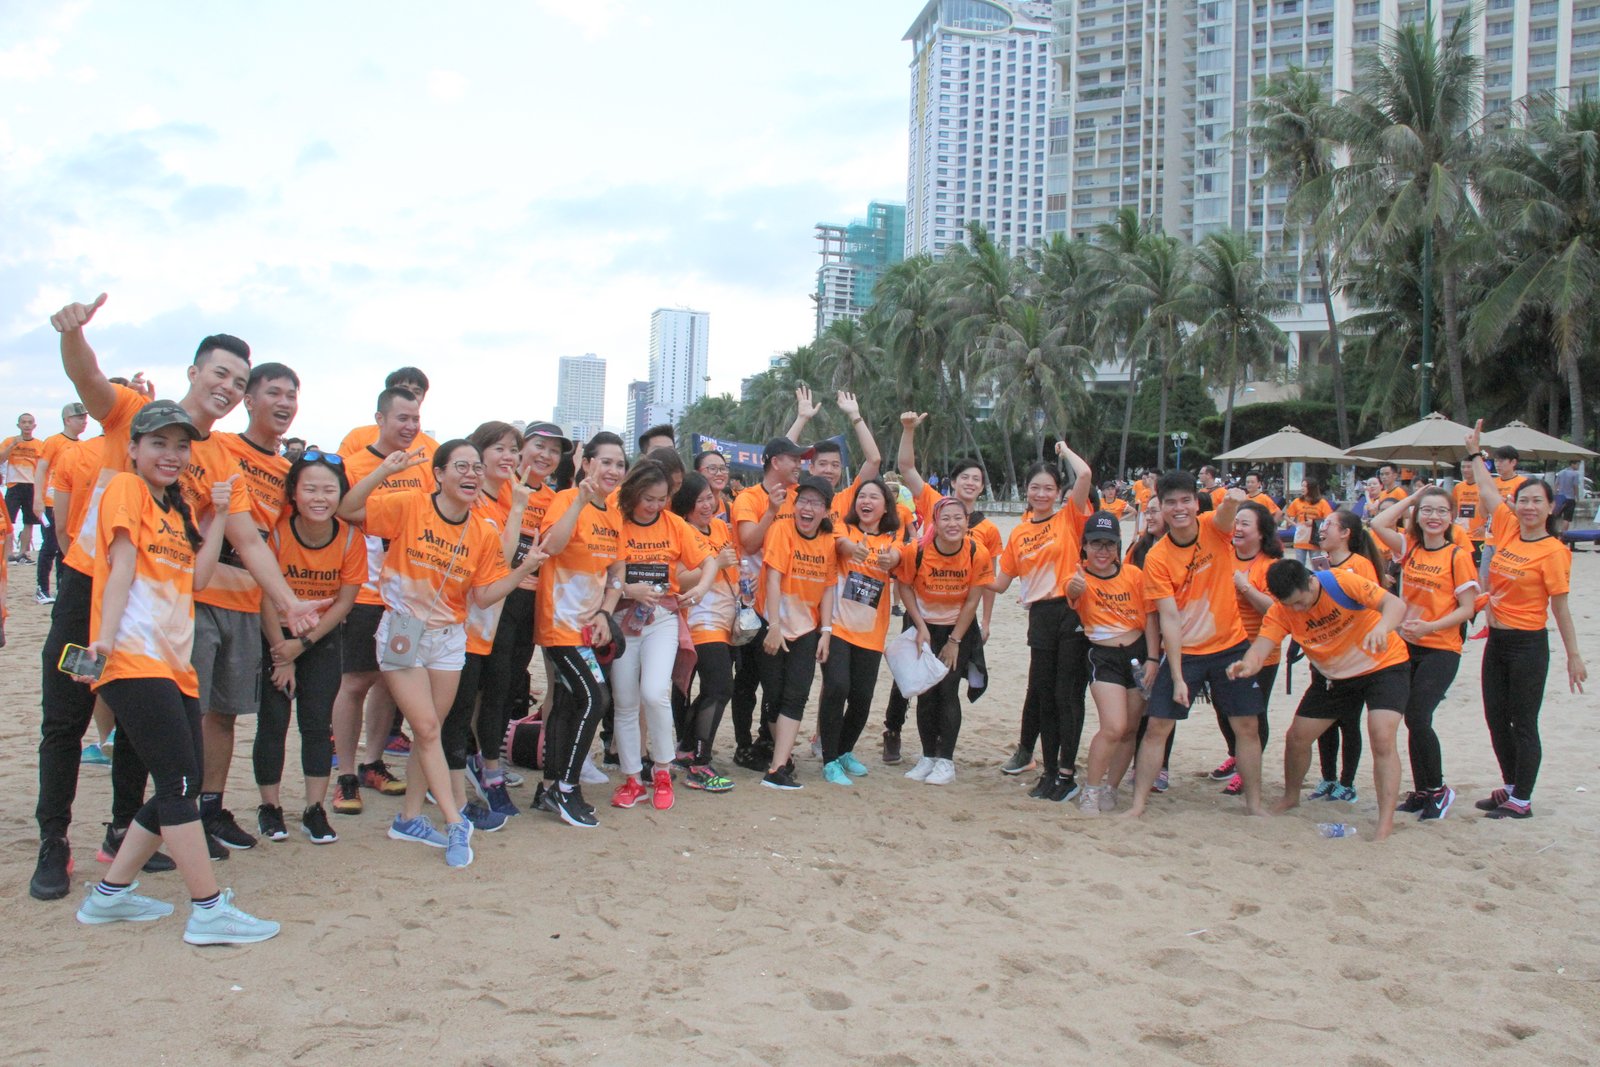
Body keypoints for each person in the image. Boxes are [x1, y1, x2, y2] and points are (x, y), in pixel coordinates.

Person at [32, 295, 320, 902]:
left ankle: (119, 831)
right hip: (89, 585)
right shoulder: (134, 412)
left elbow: (247, 539)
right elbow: (84, 375)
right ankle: (53, 841)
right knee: (65, 720)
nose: (228, 387)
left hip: (159, 605)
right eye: (219, 373)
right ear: (194, 372)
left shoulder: (217, 458)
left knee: (140, 728)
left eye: (240, 383)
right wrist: (73, 334)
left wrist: (289, 602)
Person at [72, 399, 279, 942]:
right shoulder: (126, 489)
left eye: (181, 445)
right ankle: (208, 908)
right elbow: (118, 568)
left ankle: (110, 896)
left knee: (176, 782)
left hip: (174, 664)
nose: (171, 454)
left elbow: (196, 580)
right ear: (134, 447)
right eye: (158, 443)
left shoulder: (174, 509)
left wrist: (210, 518)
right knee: (179, 784)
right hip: (133, 658)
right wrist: (100, 642)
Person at [339, 440, 542, 866]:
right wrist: (384, 471)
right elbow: (350, 508)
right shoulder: (410, 505)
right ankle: (454, 821)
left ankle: (409, 817)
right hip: (402, 627)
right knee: (428, 727)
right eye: (461, 467)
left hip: (450, 636)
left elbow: (485, 596)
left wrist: (524, 568)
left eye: (475, 468)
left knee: (427, 731)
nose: (471, 475)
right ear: (439, 474)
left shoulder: (484, 531)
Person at [196, 362, 326, 855]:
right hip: (200, 591)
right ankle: (176, 812)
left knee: (226, 714)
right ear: (248, 399)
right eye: (274, 392)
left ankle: (211, 806)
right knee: (191, 710)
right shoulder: (220, 448)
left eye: (293, 394)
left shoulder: (289, 472)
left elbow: (279, 538)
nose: (285, 403)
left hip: (247, 600)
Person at [1228, 558, 1410, 840]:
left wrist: (1381, 627)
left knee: (1382, 736)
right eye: (1290, 604)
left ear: (1311, 581)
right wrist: (1247, 665)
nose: (1297, 610)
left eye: (1301, 602)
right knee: (1297, 737)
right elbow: (1262, 647)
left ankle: (1385, 822)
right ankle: (1291, 797)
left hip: (1383, 665)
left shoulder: (1340, 582)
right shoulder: (1282, 610)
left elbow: (1395, 605)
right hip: (1334, 677)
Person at [1124, 476, 1266, 819]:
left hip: (1230, 646)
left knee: (1246, 726)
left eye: (1185, 500)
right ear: (1161, 507)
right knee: (1157, 725)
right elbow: (1168, 619)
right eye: (1170, 502)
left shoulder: (1212, 528)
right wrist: (1175, 676)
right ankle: (1139, 803)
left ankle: (1255, 804)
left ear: (1196, 503)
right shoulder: (1157, 557)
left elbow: (1226, 515)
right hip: (1185, 652)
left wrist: (1232, 499)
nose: (1179, 509)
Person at [1465, 422, 1586, 819]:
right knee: (1495, 717)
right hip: (1497, 641)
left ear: (1550, 507)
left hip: (1528, 645)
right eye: (1523, 500)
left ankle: (1523, 799)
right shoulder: (1510, 528)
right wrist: (1474, 455)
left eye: (1537, 501)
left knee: (1523, 721)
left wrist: (1573, 656)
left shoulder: (1554, 551)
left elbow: (1561, 608)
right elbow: (1486, 490)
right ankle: (1512, 785)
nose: (1529, 507)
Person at [330, 386, 435, 815]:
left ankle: (374, 762)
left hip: (406, 599)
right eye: (402, 419)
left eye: (416, 419)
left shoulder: (424, 468)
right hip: (366, 592)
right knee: (355, 682)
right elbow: (342, 511)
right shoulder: (353, 466)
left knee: (392, 680)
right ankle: (347, 774)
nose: (410, 427)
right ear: (380, 418)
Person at [252, 451, 365, 843]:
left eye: (329, 490)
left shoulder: (351, 537)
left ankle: (314, 810)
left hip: (320, 638)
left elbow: (344, 602)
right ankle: (270, 807)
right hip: (274, 635)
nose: (320, 498)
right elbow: (265, 595)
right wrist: (280, 651)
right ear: (294, 494)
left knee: (317, 725)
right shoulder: (279, 531)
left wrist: (302, 645)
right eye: (310, 489)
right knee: (273, 724)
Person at [600, 460, 718, 810]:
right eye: (648, 499)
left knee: (655, 693)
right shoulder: (615, 523)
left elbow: (709, 561)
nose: (655, 506)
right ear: (633, 493)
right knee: (624, 701)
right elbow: (604, 573)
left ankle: (663, 771)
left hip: (663, 619)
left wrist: (701, 589)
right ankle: (633, 778)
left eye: (662, 499)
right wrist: (627, 588)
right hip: (622, 620)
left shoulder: (676, 525)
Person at [439, 422, 534, 826]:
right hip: (461, 621)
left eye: (514, 448)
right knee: (458, 708)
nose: (509, 456)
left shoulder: (514, 495)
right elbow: (499, 558)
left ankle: (489, 769)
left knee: (498, 692)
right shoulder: (472, 500)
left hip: (497, 617)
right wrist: (516, 509)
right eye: (499, 448)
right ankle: (452, 788)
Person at [989, 442, 1096, 800]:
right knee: (1044, 695)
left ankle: (1067, 773)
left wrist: (1065, 450)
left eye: (1048, 487)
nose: (1041, 493)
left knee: (1068, 696)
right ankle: (1049, 772)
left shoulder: (1068, 517)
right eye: (1035, 487)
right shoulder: (1019, 532)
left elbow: (1084, 474)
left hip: (1071, 611)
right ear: (1027, 490)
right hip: (1039, 617)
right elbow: (1000, 583)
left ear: (1057, 492)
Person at [1368, 484, 1480, 821]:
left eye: (1441, 512)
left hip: (1441, 648)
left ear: (1451, 518)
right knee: (1411, 719)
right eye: (1427, 511)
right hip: (1409, 646)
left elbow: (1468, 608)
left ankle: (1438, 789)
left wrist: (1430, 627)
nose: (1434, 517)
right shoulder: (1410, 548)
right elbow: (1378, 524)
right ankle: (1422, 791)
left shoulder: (1457, 556)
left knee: (1418, 715)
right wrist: (1413, 498)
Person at [534, 432, 628, 827]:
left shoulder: (614, 513)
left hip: (590, 629)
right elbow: (550, 547)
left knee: (571, 703)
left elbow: (617, 570)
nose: (613, 470)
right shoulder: (563, 501)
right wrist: (578, 499)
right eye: (605, 461)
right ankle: (566, 789)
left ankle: (549, 786)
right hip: (559, 625)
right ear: (586, 463)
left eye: (620, 464)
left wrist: (606, 613)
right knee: (596, 698)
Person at [728, 435, 811, 770]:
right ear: (776, 462)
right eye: (795, 459)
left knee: (776, 683)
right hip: (751, 603)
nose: (800, 465)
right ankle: (743, 744)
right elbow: (748, 544)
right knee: (747, 679)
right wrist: (773, 511)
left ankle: (769, 739)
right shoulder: (748, 498)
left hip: (787, 605)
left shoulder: (799, 498)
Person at [1066, 511, 1157, 814]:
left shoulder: (1134, 575)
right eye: (1095, 544)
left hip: (1137, 652)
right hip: (1102, 656)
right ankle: (1091, 789)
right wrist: (1074, 590)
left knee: (1131, 728)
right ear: (1085, 546)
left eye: (1109, 544)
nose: (1102, 551)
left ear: (1118, 546)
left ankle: (1111, 787)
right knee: (1113, 727)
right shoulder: (1079, 576)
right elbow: (1071, 592)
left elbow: (1152, 620)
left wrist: (1154, 658)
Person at [898, 496, 992, 785]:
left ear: (967, 522)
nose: (952, 524)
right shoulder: (917, 551)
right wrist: (920, 625)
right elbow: (904, 586)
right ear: (935, 523)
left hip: (958, 629)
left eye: (958, 518)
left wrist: (954, 641)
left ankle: (946, 761)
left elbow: (973, 600)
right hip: (924, 627)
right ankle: (928, 757)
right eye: (945, 518)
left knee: (948, 691)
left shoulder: (977, 552)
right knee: (925, 692)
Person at [818, 477, 905, 785]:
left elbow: (898, 555)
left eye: (874, 497)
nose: (866, 502)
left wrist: (891, 557)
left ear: (885, 506)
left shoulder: (894, 533)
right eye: (862, 497)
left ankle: (844, 752)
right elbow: (840, 543)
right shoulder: (845, 527)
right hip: (839, 625)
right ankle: (829, 759)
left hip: (872, 630)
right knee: (837, 687)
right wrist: (851, 549)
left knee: (862, 696)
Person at [758, 475, 838, 790]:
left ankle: (777, 768)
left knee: (797, 695)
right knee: (774, 696)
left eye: (816, 503)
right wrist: (774, 627)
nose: (808, 508)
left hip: (806, 628)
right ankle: (783, 756)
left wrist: (827, 632)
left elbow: (829, 588)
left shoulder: (828, 542)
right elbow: (773, 579)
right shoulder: (780, 530)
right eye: (803, 500)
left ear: (826, 511)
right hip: (773, 624)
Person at [1307, 507, 1388, 803]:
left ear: (1345, 533)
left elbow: (1368, 606)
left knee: (1348, 721)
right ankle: (1327, 777)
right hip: (1324, 652)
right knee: (1323, 721)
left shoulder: (1360, 565)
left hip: (1353, 656)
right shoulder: (1321, 564)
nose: (1322, 528)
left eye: (1329, 524)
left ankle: (1347, 782)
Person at [1207, 500, 1283, 796]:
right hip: (1224, 646)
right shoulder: (1224, 553)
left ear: (1261, 533)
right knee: (1222, 706)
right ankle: (1235, 754)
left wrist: (1246, 587)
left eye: (1245, 524)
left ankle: (1248, 767)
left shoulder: (1270, 566)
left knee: (1252, 713)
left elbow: (1277, 611)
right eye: (1236, 522)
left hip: (1259, 651)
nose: (1237, 528)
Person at [672, 471, 740, 792]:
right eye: (699, 500)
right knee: (720, 687)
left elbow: (734, 569)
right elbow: (679, 578)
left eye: (709, 497)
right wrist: (715, 564)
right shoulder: (681, 530)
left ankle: (686, 747)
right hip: (699, 619)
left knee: (715, 689)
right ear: (685, 505)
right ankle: (700, 762)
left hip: (727, 620)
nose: (707, 504)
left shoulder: (721, 526)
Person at [29, 403, 90, 603]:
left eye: (85, 417)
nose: (84, 421)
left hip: (73, 504)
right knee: (50, 545)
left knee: (69, 546)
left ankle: (63, 587)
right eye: (79, 417)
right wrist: (37, 499)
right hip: (51, 501)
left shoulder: (82, 445)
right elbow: (41, 469)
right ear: (67, 420)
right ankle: (42, 589)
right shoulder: (54, 441)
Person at [336, 367, 440, 457]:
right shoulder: (357, 437)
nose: (409, 395)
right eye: (403, 389)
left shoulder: (433, 448)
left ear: (423, 397)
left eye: (417, 392)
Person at [1, 412, 42, 562]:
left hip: (31, 485)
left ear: (34, 426)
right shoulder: (9, 441)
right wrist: (12, 446)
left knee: (29, 521)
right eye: (23, 422)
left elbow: (42, 468)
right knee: (8, 520)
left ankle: (23, 553)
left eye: (29, 422)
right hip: (14, 484)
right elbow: (0, 460)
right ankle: (8, 552)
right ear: (18, 425)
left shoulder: (39, 445)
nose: (26, 425)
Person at [1284, 479, 1333, 563]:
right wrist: (1295, 524)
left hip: (1315, 539)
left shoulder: (1322, 503)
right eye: (1302, 486)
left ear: (1312, 488)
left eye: (1305, 486)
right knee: (1300, 565)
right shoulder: (1297, 501)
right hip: (1300, 538)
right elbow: (1286, 516)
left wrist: (1314, 522)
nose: (1302, 488)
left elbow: (1329, 518)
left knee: (1317, 565)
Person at [1452, 459, 1487, 563]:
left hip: (1479, 536)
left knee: (1477, 569)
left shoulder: (1483, 487)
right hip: (1461, 534)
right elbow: (1454, 507)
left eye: (1469, 467)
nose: (1465, 470)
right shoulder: (1458, 487)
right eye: (1463, 467)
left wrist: (1485, 526)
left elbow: (1494, 509)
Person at [692, 450, 734, 522]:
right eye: (712, 468)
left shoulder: (729, 509)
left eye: (723, 468)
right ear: (697, 473)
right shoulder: (688, 510)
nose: (719, 473)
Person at [1553, 458, 1583, 535]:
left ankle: (1554, 533)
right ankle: (1564, 535)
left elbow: (1556, 485)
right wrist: (1577, 497)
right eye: (1577, 464)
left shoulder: (1561, 472)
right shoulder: (1575, 474)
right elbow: (1575, 486)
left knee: (1556, 517)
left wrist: (1556, 495)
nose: (1578, 466)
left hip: (1560, 497)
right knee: (1567, 518)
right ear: (1573, 464)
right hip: (1570, 498)